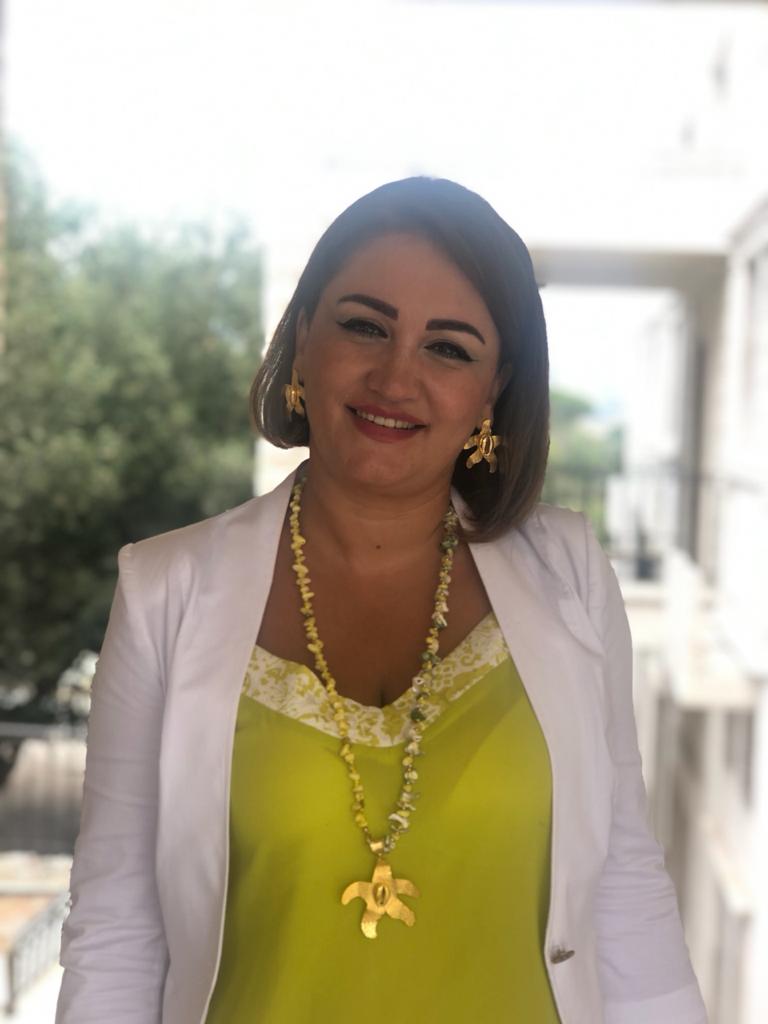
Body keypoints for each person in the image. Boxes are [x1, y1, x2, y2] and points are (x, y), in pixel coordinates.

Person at [55, 177, 708, 1024]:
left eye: (449, 348)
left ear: (493, 388)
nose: (397, 376)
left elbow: (624, 883)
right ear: (303, 340)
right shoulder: (164, 591)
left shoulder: (571, 573)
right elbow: (116, 929)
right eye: (365, 326)